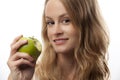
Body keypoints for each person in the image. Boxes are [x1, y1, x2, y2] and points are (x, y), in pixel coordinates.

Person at [7, 0, 110, 80]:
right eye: (50, 22)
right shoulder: (32, 75)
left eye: (66, 21)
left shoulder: (99, 74)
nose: (55, 31)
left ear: (86, 25)